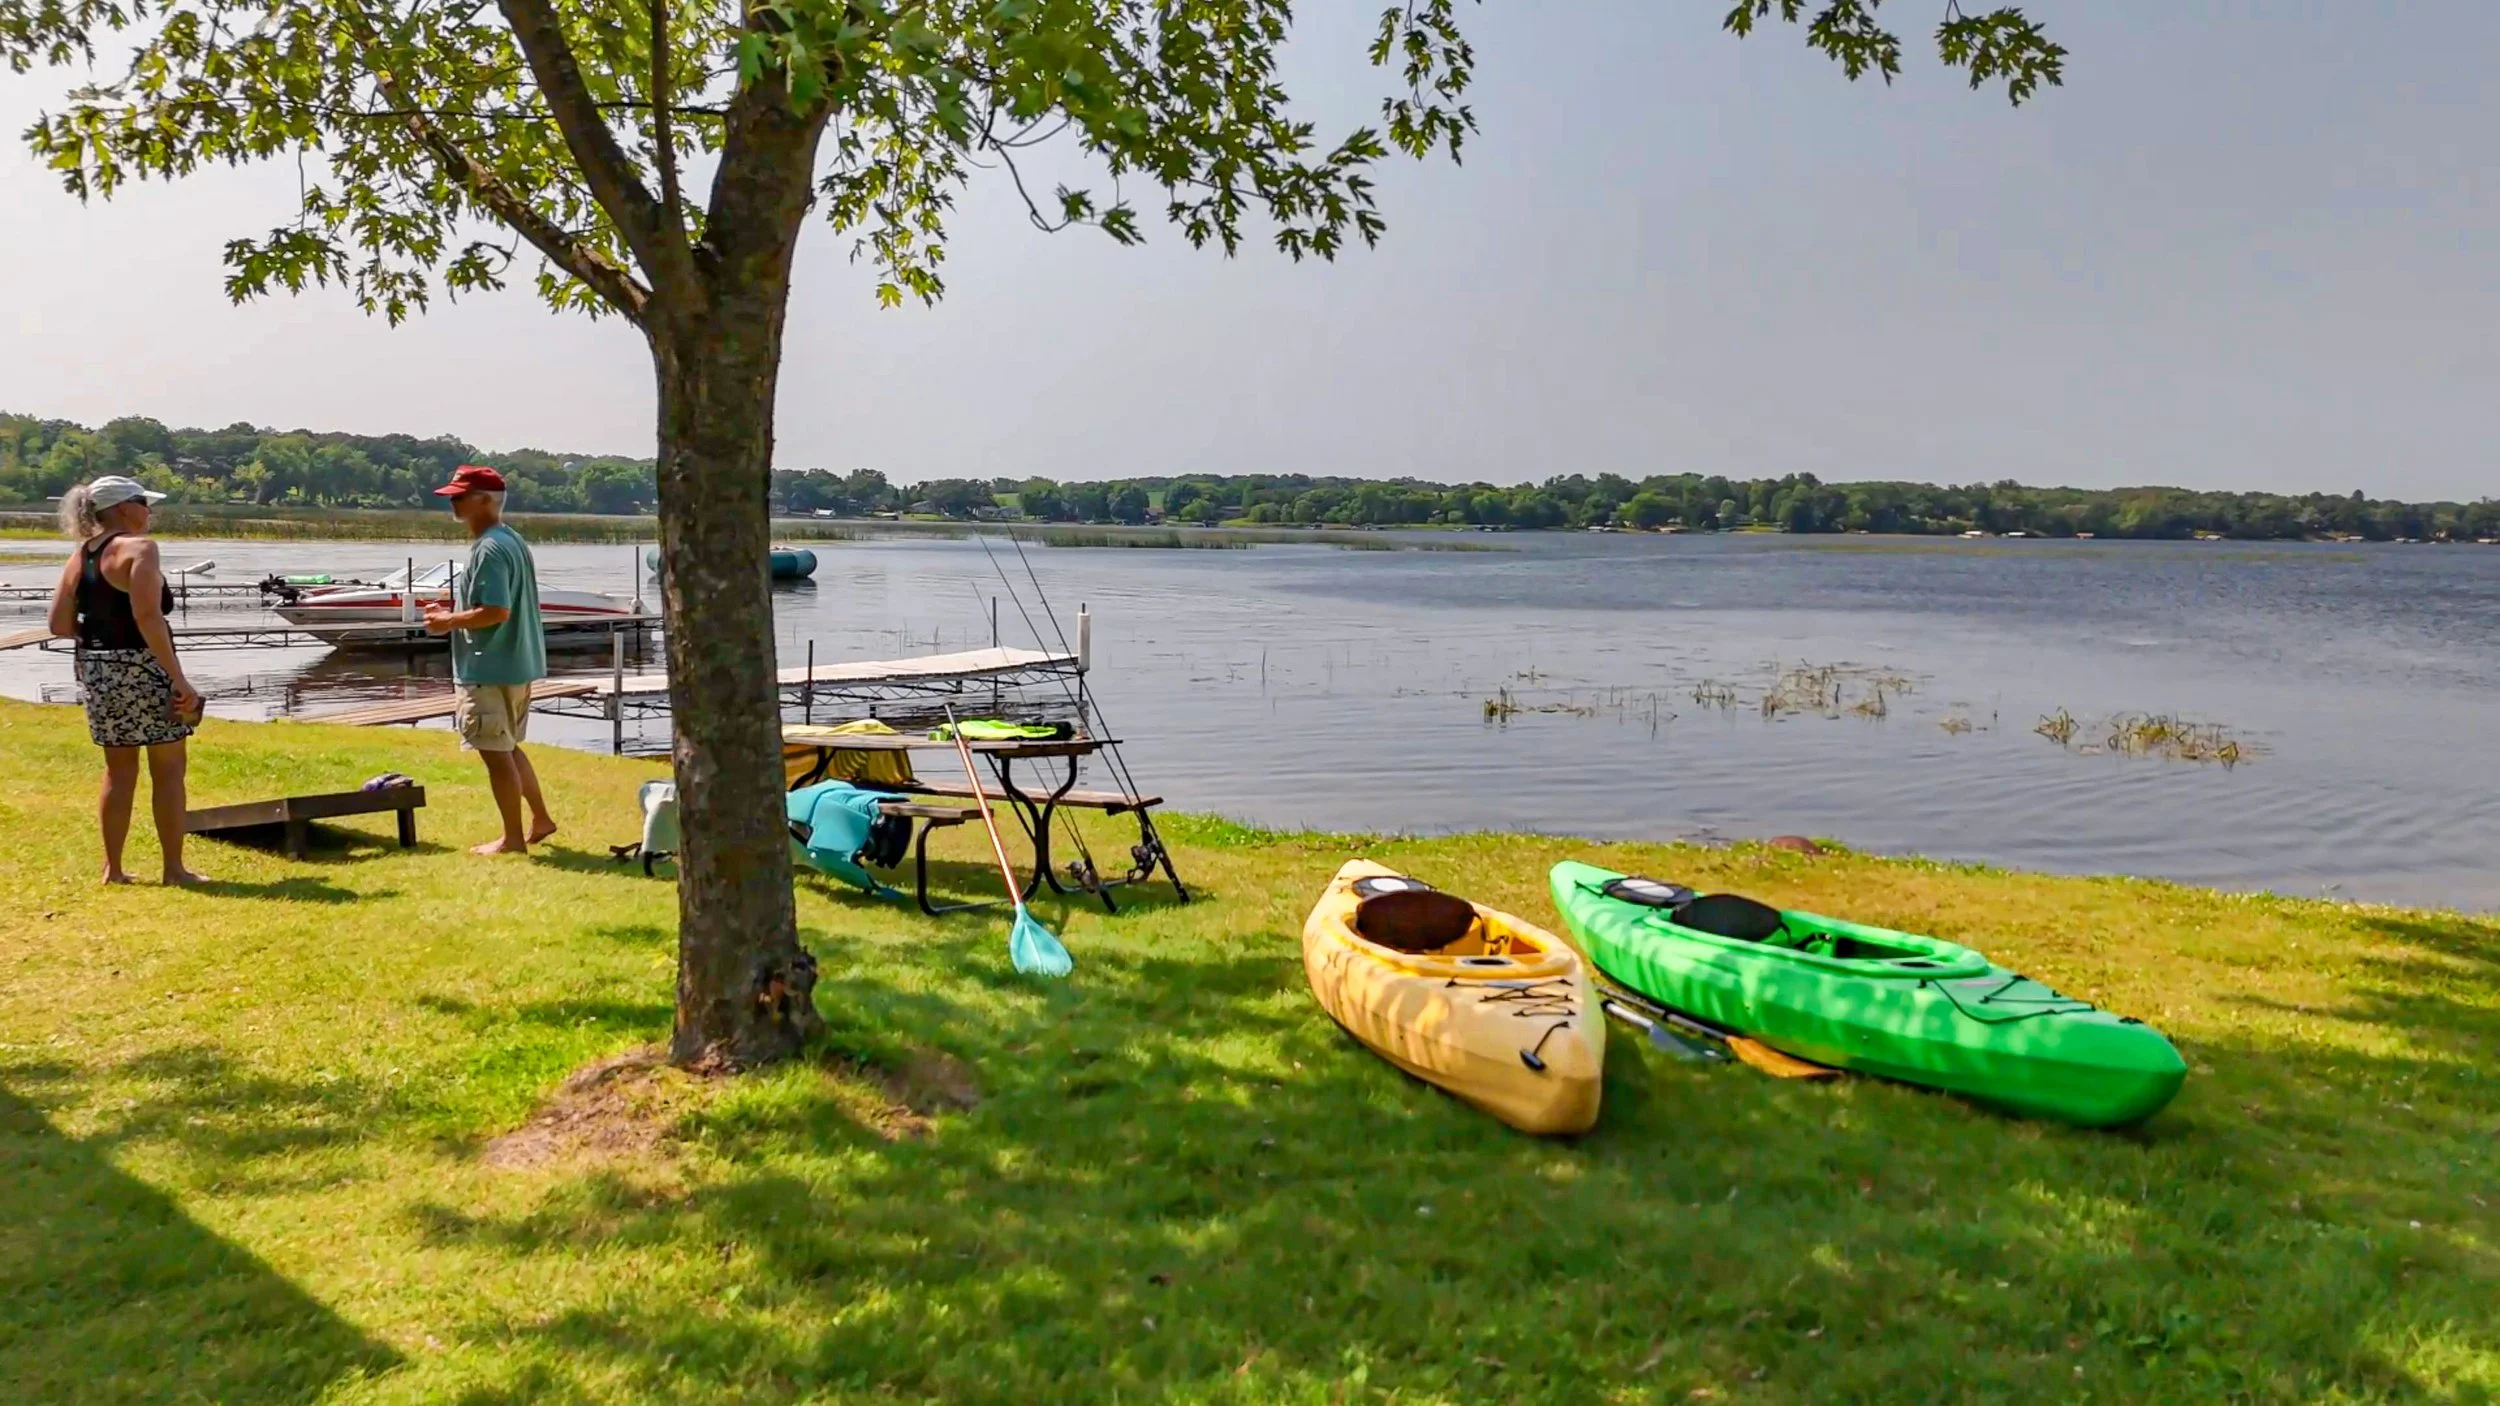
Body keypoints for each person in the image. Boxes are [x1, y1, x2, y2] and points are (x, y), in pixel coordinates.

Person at [47, 475, 206, 885]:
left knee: (118, 772)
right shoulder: (141, 549)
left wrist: (101, 642)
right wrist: (180, 681)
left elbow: (58, 624)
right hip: (144, 665)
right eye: (143, 503)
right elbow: (148, 617)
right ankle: (174, 869)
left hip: (97, 668)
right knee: (169, 769)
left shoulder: (81, 555)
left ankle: (112, 869)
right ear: (123, 508)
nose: (149, 511)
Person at [420, 465, 557, 854]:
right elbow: (490, 605)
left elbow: (496, 611)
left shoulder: (489, 548)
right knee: (509, 747)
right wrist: (455, 610)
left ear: (484, 500)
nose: (452, 501)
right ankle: (541, 820)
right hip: (515, 665)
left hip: (488, 667)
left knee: (496, 756)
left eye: (459, 496)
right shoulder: (510, 539)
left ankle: (512, 840)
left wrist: (447, 621)